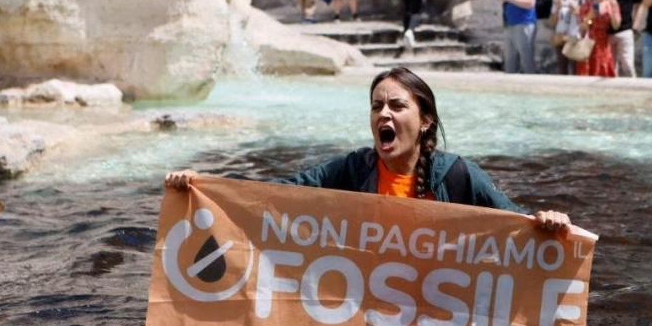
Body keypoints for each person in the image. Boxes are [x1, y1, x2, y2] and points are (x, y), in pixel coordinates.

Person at [164, 67, 573, 234]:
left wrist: (548, 223)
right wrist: (205, 187)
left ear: (425, 120)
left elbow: (518, 223)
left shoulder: (458, 176)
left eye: (397, 105)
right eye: (377, 106)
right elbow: (277, 193)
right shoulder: (353, 169)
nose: (384, 114)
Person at [605, 0, 643, 77]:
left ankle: (634, 89)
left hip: (626, 29)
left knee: (627, 64)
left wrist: (636, 24)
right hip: (608, 31)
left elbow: (639, 4)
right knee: (610, 66)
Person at [578, 0, 621, 77]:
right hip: (589, 42)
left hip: (604, 43)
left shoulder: (611, 3)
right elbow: (583, 27)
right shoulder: (588, 4)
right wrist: (590, 17)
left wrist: (611, 13)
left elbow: (616, 26)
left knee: (604, 70)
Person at [549, 0, 583, 75]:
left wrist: (577, 12)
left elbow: (588, 21)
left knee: (575, 68)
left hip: (574, 37)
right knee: (562, 67)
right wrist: (558, 9)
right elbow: (552, 22)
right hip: (561, 36)